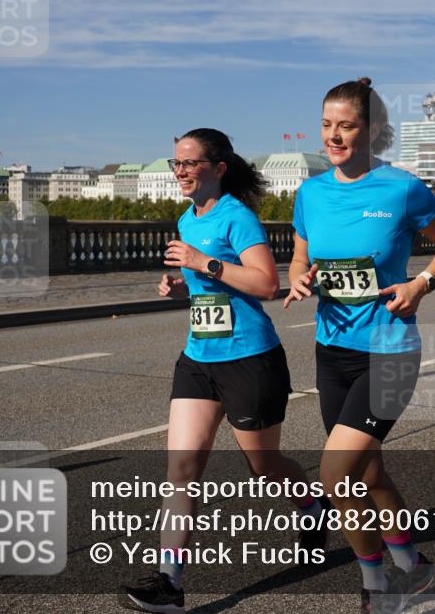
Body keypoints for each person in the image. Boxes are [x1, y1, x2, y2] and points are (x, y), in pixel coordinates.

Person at [120, 129, 326, 614]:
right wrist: (181, 285)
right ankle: (169, 581)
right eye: (176, 164)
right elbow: (210, 289)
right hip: (198, 359)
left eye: (190, 163)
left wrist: (203, 262)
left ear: (218, 168)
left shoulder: (238, 218)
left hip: (249, 359)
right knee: (182, 470)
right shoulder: (187, 218)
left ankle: (315, 508)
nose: (181, 172)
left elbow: (266, 284)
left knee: (265, 468)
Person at [284, 77, 435, 613]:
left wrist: (420, 284)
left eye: (346, 125)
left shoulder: (402, 188)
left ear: (374, 130)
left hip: (390, 350)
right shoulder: (311, 193)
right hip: (331, 350)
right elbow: (300, 255)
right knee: (368, 472)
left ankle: (377, 586)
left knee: (334, 474)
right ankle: (418, 568)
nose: (334, 136)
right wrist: (299, 278)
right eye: (326, 125)